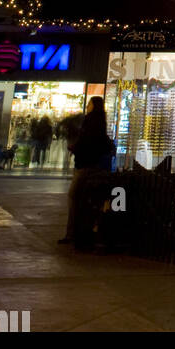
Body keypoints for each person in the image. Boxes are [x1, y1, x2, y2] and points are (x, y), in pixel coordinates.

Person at [58, 97, 114, 247]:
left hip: (84, 165)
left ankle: (72, 233)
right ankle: (78, 232)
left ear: (93, 106)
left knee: (74, 197)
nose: (87, 106)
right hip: (91, 164)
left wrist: (76, 149)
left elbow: (87, 143)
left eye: (89, 104)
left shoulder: (90, 122)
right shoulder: (99, 123)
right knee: (81, 199)